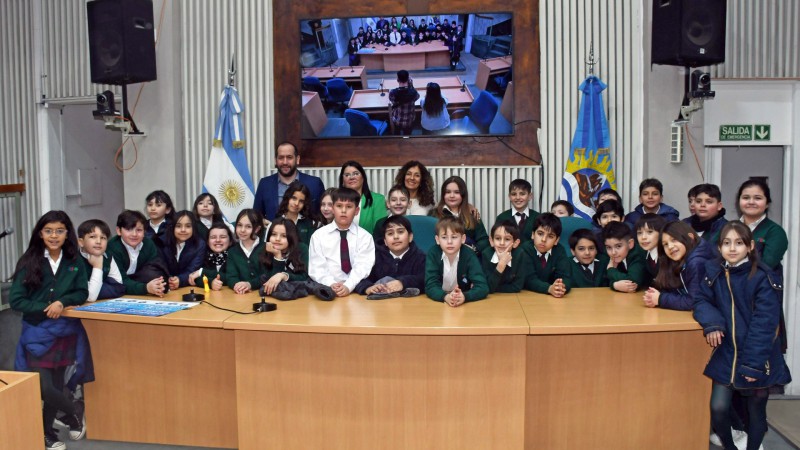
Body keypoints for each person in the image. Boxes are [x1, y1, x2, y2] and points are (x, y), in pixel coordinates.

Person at [693, 222, 791, 450]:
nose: (733, 248)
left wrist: (753, 365)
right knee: (718, 408)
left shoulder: (763, 277)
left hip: (759, 356)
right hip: (727, 353)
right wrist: (713, 323)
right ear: (719, 247)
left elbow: (765, 325)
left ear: (750, 246)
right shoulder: (713, 270)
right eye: (726, 243)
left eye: (739, 243)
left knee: (755, 413)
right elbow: (701, 300)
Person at [10, 211, 89, 449]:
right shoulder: (29, 260)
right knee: (43, 387)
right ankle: (74, 411)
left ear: (68, 234)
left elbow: (81, 292)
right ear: (40, 233)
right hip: (36, 331)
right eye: (48, 231)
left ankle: (46, 434)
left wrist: (61, 303)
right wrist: (46, 308)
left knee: (55, 383)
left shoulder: (75, 260)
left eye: (59, 231)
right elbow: (16, 300)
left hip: (64, 330)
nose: (54, 236)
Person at [308, 188, 376, 297]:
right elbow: (317, 267)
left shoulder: (365, 237)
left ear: (357, 211)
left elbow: (363, 266)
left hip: (356, 287)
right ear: (333, 209)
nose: (343, 210)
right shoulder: (318, 236)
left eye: (349, 207)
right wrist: (331, 284)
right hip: (327, 288)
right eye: (339, 206)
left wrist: (348, 286)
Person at [643, 221, 716, 310]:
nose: (670, 246)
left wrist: (660, 299)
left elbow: (694, 302)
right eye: (665, 244)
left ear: (691, 237)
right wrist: (655, 296)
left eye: (674, 240)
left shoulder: (697, 262)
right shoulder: (681, 258)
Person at [355, 215, 425, 298]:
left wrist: (403, 283)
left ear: (410, 237)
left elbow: (425, 280)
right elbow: (359, 277)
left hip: (410, 306)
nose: (395, 237)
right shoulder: (374, 257)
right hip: (380, 306)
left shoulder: (421, 257)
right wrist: (368, 288)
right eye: (390, 233)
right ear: (385, 241)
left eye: (400, 232)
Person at [253, 142, 325, 221]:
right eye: (281, 158)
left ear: (297, 159)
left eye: (289, 157)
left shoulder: (314, 184)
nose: (285, 162)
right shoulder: (265, 184)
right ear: (275, 160)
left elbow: (323, 216)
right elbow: (256, 216)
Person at [425, 216, 489, 305]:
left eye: (454, 237)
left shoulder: (469, 254)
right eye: (444, 237)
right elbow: (430, 286)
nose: (449, 242)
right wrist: (445, 297)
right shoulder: (433, 253)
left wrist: (465, 296)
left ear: (463, 239)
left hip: (463, 300)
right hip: (439, 302)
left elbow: (483, 287)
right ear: (437, 240)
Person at [107, 210, 167, 297]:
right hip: (118, 287)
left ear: (144, 231)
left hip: (140, 284)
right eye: (129, 229)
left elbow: (156, 268)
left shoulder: (148, 244)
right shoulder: (113, 247)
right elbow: (120, 280)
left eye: (139, 230)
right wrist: (145, 288)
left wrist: (158, 285)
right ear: (119, 231)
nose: (134, 234)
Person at [431, 176, 490, 255]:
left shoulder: (472, 213)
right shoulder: (434, 214)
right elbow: (430, 239)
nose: (452, 196)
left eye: (457, 192)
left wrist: (474, 248)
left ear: (463, 195)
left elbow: (483, 239)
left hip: (468, 258)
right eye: (448, 192)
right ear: (443, 194)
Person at [521, 213, 571, 297]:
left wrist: (560, 287)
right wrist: (549, 288)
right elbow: (529, 280)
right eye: (540, 234)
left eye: (550, 236)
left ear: (556, 240)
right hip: (528, 296)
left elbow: (566, 277)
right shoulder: (525, 249)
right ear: (533, 234)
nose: (543, 239)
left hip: (551, 298)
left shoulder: (559, 250)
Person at [257, 218, 309, 297]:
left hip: (297, 296)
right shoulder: (265, 249)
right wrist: (277, 256)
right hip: (272, 296)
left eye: (284, 236)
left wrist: (283, 275)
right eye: (274, 234)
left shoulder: (302, 248)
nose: (277, 239)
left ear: (292, 237)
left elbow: (304, 277)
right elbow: (269, 280)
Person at [158, 211, 207, 290]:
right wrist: (169, 279)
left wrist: (180, 280)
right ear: (173, 227)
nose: (183, 230)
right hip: (164, 286)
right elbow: (160, 266)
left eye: (188, 226)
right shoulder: (162, 242)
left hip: (187, 287)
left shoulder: (200, 245)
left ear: (193, 228)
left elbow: (193, 269)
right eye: (178, 226)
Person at [77, 219, 124, 301]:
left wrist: (94, 289)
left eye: (103, 238)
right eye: (92, 237)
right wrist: (97, 266)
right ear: (81, 242)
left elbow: (119, 287)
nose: (98, 241)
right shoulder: (73, 260)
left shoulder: (107, 256)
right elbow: (90, 296)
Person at [481, 220, 530, 293]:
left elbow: (517, 287)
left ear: (515, 243)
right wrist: (501, 265)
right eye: (498, 238)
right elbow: (488, 287)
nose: (502, 243)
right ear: (491, 241)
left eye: (507, 239)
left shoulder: (520, 254)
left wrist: (493, 287)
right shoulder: (486, 254)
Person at [338, 161, 386, 234]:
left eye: (356, 174)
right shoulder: (336, 200)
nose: (351, 177)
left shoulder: (377, 200)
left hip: (369, 244)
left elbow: (380, 231)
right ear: (342, 180)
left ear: (363, 177)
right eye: (347, 175)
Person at [226, 209, 265, 294]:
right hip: (241, 295)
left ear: (257, 229)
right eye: (239, 225)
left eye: (248, 226)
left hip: (263, 295)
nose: (242, 230)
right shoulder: (232, 251)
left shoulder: (266, 248)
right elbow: (230, 277)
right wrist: (237, 286)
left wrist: (250, 284)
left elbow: (268, 275)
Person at [603, 221, 646, 293]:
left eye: (618, 246)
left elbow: (632, 282)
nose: (613, 252)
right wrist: (614, 285)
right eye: (609, 247)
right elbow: (605, 280)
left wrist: (611, 270)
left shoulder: (637, 254)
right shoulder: (613, 255)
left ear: (630, 244)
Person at [190, 221, 233, 290]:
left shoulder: (234, 256)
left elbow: (231, 278)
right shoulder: (203, 256)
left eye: (223, 237)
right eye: (213, 237)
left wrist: (202, 271)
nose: (218, 240)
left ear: (230, 241)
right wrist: (211, 283)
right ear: (207, 241)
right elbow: (195, 278)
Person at [495, 179, 539, 245]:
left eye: (522, 194)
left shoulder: (538, 217)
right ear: (509, 197)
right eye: (514, 194)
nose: (518, 197)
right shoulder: (502, 217)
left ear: (530, 196)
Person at [276, 181, 320, 245]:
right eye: (294, 198)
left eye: (301, 201)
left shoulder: (310, 223)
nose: (296, 203)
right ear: (287, 198)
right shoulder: (277, 221)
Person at [634, 213, 667, 288]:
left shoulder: (667, 256)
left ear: (661, 233)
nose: (643, 237)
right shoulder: (645, 254)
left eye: (649, 232)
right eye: (639, 233)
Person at [389, 70, 420, 135]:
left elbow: (392, 101)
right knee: (407, 135)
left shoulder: (392, 92)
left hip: (397, 120)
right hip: (409, 120)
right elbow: (416, 97)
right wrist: (411, 85)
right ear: (408, 79)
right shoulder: (413, 92)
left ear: (397, 79)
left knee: (397, 133)